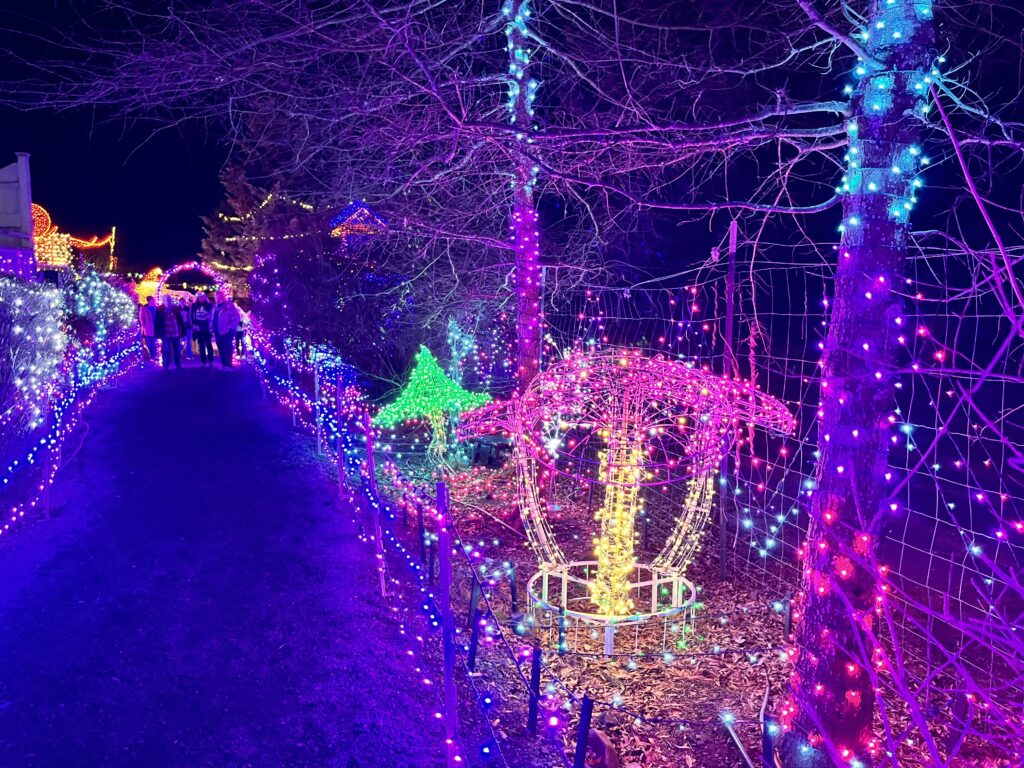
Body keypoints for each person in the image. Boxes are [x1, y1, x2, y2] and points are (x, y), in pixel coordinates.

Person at [212, 291, 242, 367]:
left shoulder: (228, 305)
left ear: (222, 296)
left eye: (218, 296)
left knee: (227, 347)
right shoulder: (216, 306)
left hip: (226, 331)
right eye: (215, 296)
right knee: (220, 347)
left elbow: (237, 317)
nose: (216, 297)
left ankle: (228, 364)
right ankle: (224, 363)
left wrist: (230, 327)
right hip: (217, 330)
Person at [157, 295, 184, 369]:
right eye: (166, 300)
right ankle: (166, 365)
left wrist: (182, 331)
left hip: (175, 331)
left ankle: (178, 364)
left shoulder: (175, 308)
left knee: (177, 349)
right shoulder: (160, 309)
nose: (168, 301)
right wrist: (158, 333)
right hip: (165, 333)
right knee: (166, 350)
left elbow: (180, 320)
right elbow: (157, 322)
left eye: (169, 299)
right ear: (163, 301)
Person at [190, 291, 215, 366]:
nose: (201, 298)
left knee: (209, 344)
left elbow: (212, 316)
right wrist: (193, 325)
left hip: (207, 328)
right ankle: (203, 361)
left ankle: (210, 361)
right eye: (200, 297)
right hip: (198, 328)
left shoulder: (209, 305)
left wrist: (211, 325)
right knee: (201, 346)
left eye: (202, 297)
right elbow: (191, 316)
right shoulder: (194, 306)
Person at [138, 296, 157, 362]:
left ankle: (154, 356)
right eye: (152, 300)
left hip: (155, 328)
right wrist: (144, 325)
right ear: (149, 301)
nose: (154, 301)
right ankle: (153, 356)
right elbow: (141, 317)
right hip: (148, 328)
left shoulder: (156, 308)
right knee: (149, 343)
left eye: (154, 300)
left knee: (154, 342)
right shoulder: (144, 308)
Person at [180, 296, 194, 360]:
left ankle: (189, 354)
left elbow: (190, 317)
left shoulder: (188, 309)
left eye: (183, 302)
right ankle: (180, 353)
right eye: (181, 302)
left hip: (188, 326)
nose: (182, 303)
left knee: (188, 341)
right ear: (180, 302)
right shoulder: (177, 309)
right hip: (181, 327)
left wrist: (191, 325)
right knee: (180, 341)